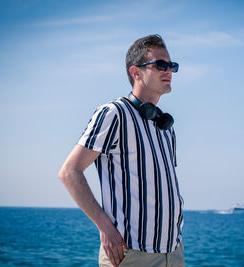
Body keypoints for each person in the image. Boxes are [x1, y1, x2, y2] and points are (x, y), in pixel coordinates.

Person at [58, 34, 184, 267]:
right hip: (132, 255)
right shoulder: (114, 113)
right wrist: (105, 227)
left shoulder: (165, 126)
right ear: (135, 72)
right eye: (161, 65)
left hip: (173, 253)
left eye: (172, 66)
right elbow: (69, 172)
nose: (169, 71)